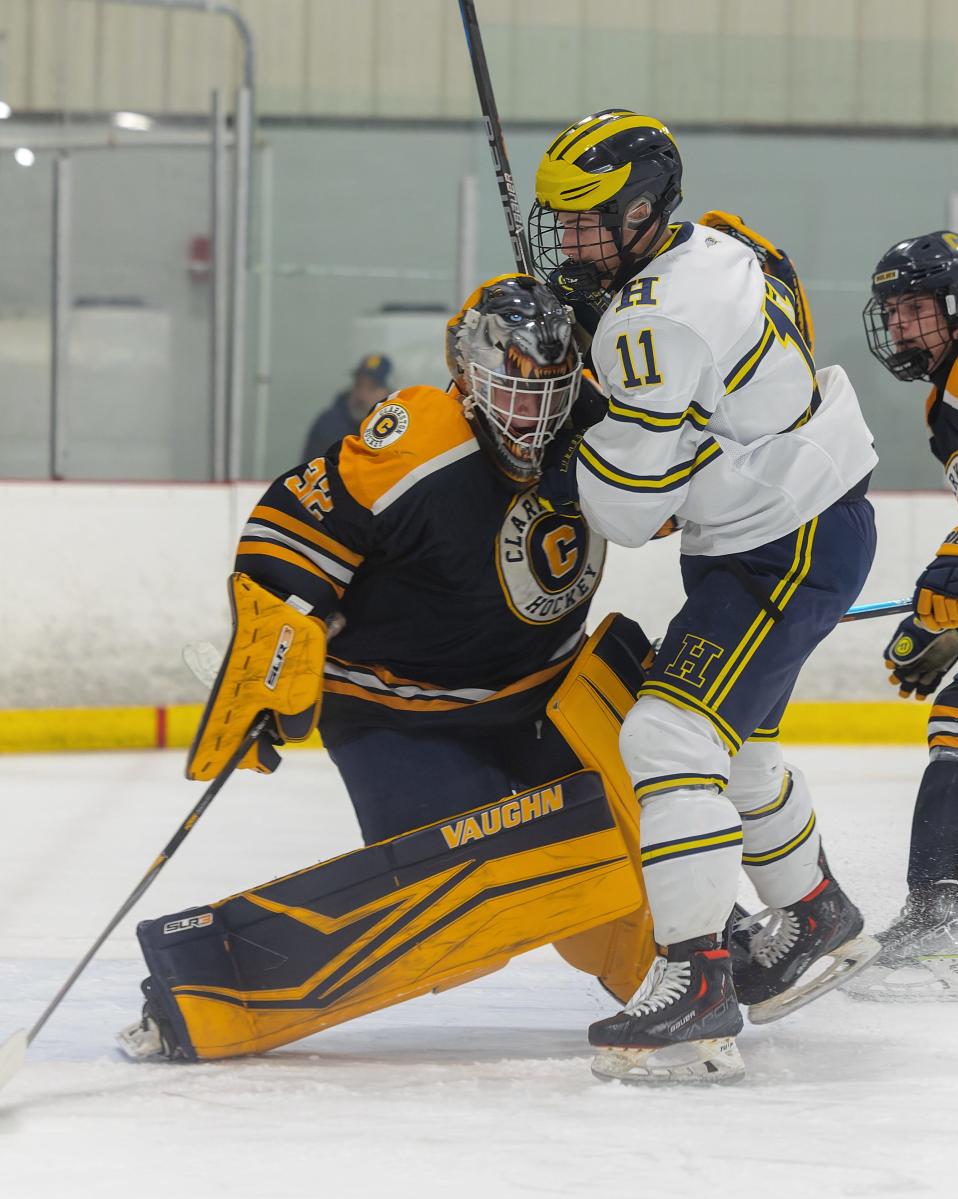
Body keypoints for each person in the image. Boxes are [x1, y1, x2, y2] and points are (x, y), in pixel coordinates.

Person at [118, 275, 661, 1064]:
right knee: (479, 899)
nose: (532, 414)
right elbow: (286, 533)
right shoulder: (418, 438)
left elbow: (693, 497)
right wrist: (278, 644)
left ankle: (699, 957)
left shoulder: (597, 425)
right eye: (512, 391)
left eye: (547, 392)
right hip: (399, 714)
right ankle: (210, 986)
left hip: (546, 693)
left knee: (655, 816)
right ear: (468, 375)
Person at [528, 109, 881, 1083]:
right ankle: (816, 916)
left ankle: (696, 982)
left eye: (592, 220)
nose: (574, 240)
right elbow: (775, 327)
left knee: (667, 738)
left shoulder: (651, 322)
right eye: (564, 220)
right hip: (799, 518)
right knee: (738, 747)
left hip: (780, 542)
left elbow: (629, 510)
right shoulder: (721, 241)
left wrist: (577, 428)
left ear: (645, 210)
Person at [846, 231, 958, 1000]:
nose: (899, 328)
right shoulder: (944, 391)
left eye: (915, 308)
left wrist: (947, 579)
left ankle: (940, 916)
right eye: (892, 312)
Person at [301, 353, 393, 459]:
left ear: (389, 393)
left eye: (372, 388)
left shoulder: (399, 429)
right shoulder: (328, 423)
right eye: (358, 384)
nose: (362, 395)